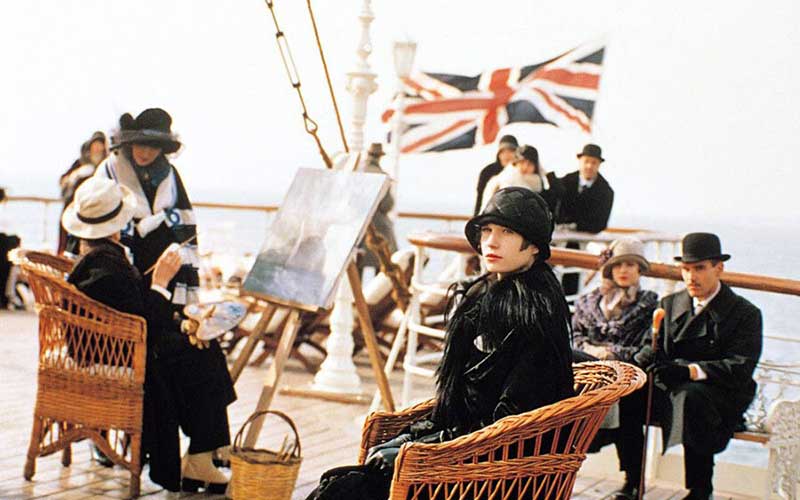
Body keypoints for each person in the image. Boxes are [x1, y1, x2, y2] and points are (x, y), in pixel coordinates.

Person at [305, 187, 575, 500]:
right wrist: (413, 437)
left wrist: (423, 447)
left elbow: (512, 420)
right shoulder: (487, 295)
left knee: (341, 492)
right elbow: (463, 402)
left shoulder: (533, 313)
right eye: (487, 230)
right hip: (466, 451)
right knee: (340, 484)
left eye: (507, 232)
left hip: (496, 471)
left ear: (534, 247)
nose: (491, 241)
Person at [62, 177, 235, 493]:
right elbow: (141, 324)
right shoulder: (105, 266)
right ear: (118, 223)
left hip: (112, 344)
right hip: (120, 351)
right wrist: (161, 283)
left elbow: (130, 309)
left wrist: (179, 320)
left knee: (200, 346)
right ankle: (203, 454)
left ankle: (205, 453)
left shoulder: (97, 256)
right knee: (203, 353)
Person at [624, 233, 763, 500]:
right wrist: (641, 365)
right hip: (672, 383)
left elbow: (740, 366)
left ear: (719, 268)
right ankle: (632, 481)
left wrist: (689, 371)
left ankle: (700, 490)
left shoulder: (744, 313)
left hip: (721, 390)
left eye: (699, 268)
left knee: (691, 399)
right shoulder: (669, 305)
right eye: (685, 269)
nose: (691, 277)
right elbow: (649, 346)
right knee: (627, 396)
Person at [570, 237, 658, 499]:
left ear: (640, 269)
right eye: (618, 265)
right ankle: (561, 470)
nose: (623, 270)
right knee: (565, 401)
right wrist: (597, 356)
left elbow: (647, 347)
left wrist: (611, 355)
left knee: (629, 407)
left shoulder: (649, 304)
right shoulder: (588, 302)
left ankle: (633, 480)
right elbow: (576, 337)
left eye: (630, 265)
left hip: (629, 375)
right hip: (590, 373)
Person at [94, 108, 200, 307]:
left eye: (154, 147)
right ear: (131, 142)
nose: (146, 153)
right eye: (142, 144)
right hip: (121, 259)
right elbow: (94, 215)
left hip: (162, 264)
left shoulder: (170, 173)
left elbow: (184, 220)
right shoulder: (110, 170)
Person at [557, 143, 615, 296]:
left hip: (583, 242)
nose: (589, 166)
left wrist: (575, 226)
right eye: (586, 161)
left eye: (594, 162)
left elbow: (600, 223)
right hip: (557, 238)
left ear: (599, 165)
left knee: (572, 281)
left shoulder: (605, 192)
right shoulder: (564, 182)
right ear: (580, 161)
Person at [58, 131, 108, 255]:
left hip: (93, 209)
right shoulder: (80, 163)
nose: (97, 150)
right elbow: (62, 180)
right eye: (95, 147)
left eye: (100, 147)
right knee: (66, 239)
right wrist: (75, 175)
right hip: (72, 205)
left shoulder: (105, 166)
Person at [480, 144, 564, 214]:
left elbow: (559, 193)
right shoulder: (506, 180)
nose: (525, 167)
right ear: (515, 163)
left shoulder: (537, 185)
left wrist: (546, 173)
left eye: (530, 164)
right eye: (522, 162)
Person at [356, 143, 398, 277]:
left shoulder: (357, 173)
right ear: (379, 157)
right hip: (377, 227)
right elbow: (387, 205)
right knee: (382, 263)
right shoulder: (382, 176)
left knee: (358, 265)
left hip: (358, 226)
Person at [473, 134, 518, 215]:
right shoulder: (488, 172)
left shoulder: (522, 172)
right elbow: (480, 199)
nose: (506, 155)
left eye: (510, 151)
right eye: (503, 152)